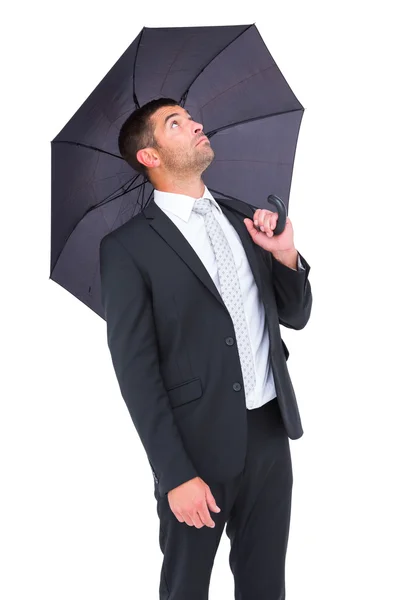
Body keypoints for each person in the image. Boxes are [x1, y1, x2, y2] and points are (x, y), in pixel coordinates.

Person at [99, 97, 312, 599]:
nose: (196, 124)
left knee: (265, 588)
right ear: (150, 156)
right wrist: (175, 474)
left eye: (191, 118)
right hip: (194, 448)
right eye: (176, 124)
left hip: (268, 433)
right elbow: (135, 370)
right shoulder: (127, 248)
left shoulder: (246, 218)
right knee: (185, 589)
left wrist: (285, 255)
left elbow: (297, 315)